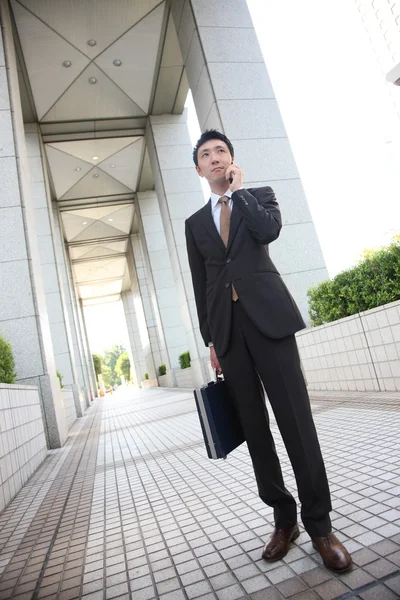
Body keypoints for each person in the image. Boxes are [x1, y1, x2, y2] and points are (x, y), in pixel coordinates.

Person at [185, 129, 352, 572]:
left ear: (233, 160)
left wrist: (239, 193)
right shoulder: (195, 224)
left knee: (296, 423)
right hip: (230, 335)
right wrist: (212, 341)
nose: (216, 158)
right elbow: (202, 286)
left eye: (222, 151)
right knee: (256, 433)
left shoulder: (258, 197)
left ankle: (320, 526)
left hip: (271, 325)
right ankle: (284, 519)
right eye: (207, 154)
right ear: (199, 169)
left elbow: (269, 232)